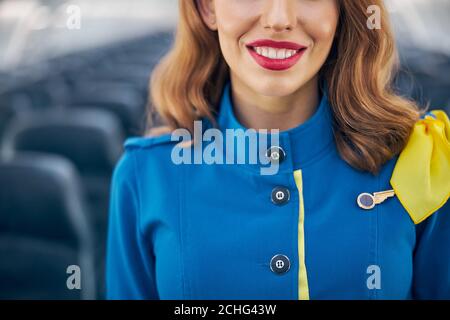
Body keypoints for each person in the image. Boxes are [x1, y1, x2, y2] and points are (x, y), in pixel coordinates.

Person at [106, 0, 450, 299]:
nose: (279, 18)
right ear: (207, 7)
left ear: (342, 10)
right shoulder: (145, 176)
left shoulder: (420, 158)